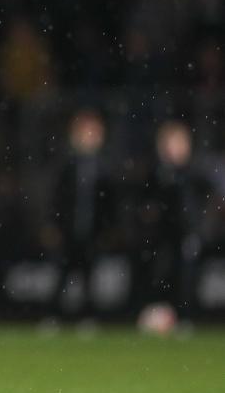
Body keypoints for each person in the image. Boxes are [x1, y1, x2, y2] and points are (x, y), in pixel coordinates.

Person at [134, 121, 210, 323]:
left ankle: (185, 316)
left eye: (180, 143)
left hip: (187, 233)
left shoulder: (195, 172)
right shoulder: (156, 173)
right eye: (172, 143)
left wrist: (198, 228)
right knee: (158, 274)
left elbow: (204, 203)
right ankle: (155, 313)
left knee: (186, 276)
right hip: (160, 236)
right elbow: (144, 204)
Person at [47, 109, 116, 323]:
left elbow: (110, 205)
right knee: (63, 274)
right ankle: (54, 315)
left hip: (92, 232)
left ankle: (87, 316)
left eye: (93, 133)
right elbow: (56, 199)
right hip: (69, 230)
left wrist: (108, 229)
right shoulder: (66, 166)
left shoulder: (105, 169)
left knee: (89, 277)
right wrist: (53, 224)